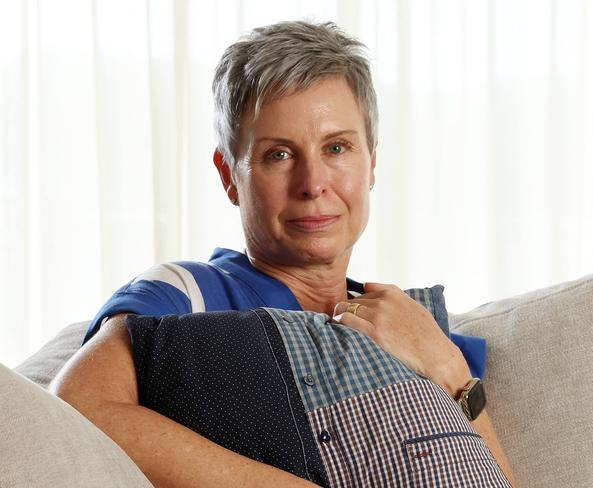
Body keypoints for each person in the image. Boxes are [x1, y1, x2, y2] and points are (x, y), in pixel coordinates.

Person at [52, 20, 516, 487]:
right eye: (279, 155)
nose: (313, 183)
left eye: (337, 148)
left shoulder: (413, 322)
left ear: (371, 162)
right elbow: (76, 405)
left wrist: (451, 369)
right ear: (229, 174)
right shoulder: (185, 294)